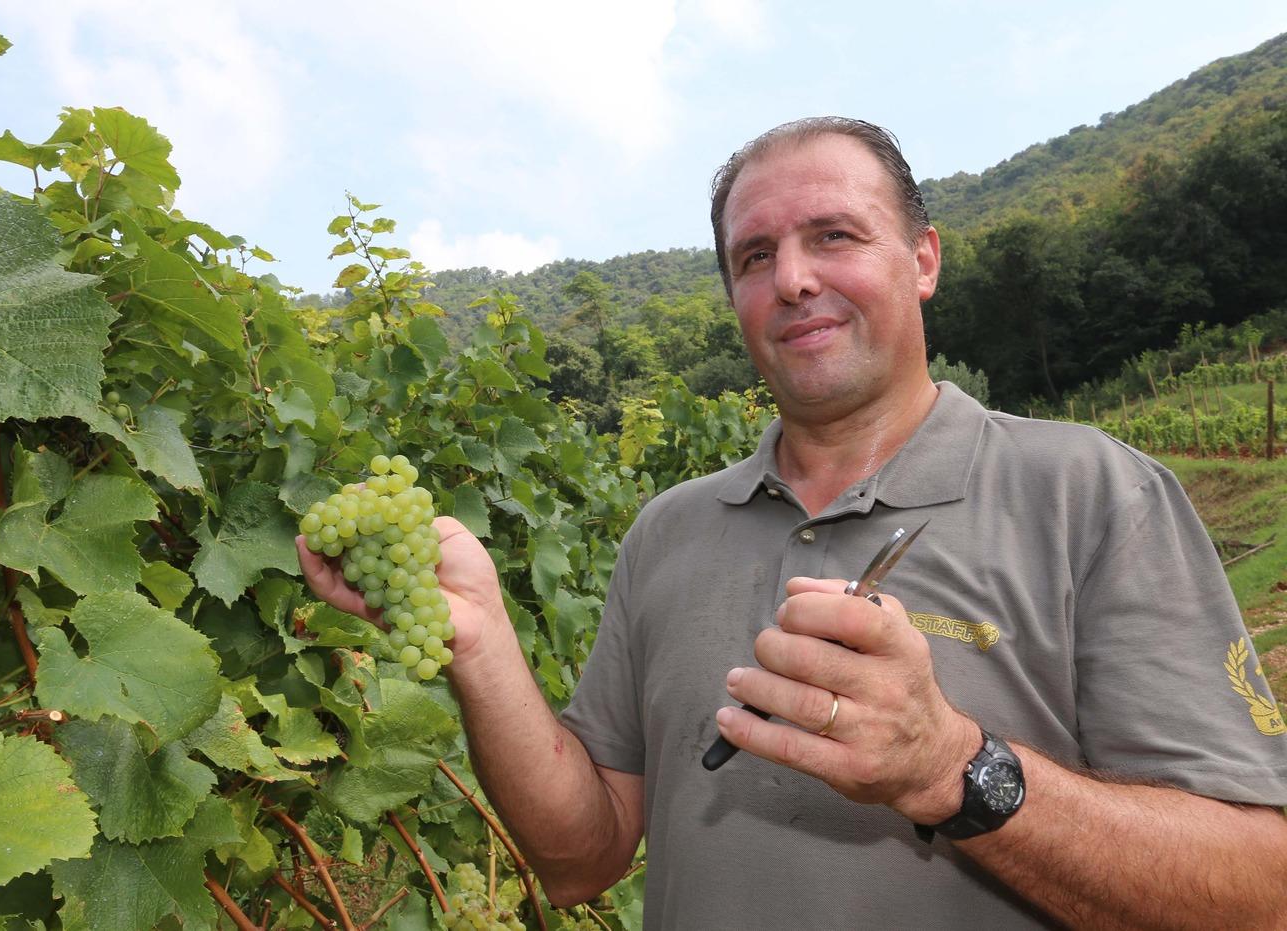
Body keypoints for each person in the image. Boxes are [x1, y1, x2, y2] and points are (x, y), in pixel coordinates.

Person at [301, 117, 1287, 928]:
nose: (794, 280)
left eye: (835, 236)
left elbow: (1259, 889)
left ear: (924, 259)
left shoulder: (1093, 491)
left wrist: (954, 768)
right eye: (755, 256)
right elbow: (579, 858)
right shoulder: (668, 532)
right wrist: (478, 644)